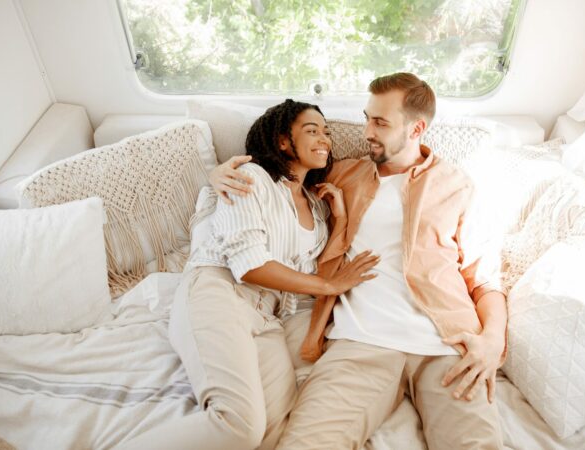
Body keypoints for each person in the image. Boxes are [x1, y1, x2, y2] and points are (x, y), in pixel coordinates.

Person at [210, 73, 507, 450]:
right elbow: (279, 170)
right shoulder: (344, 173)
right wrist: (217, 172)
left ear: (417, 128)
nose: (367, 130)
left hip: (447, 346)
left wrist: (492, 341)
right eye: (367, 118)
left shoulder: (458, 186)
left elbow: (485, 280)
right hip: (361, 342)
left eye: (380, 122)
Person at [116, 99, 379, 450]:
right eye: (312, 130)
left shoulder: (317, 208)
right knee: (238, 425)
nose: (325, 140)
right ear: (283, 141)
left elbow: (308, 273)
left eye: (326, 133)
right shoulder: (249, 178)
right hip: (219, 293)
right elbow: (251, 266)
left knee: (272, 432)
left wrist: (341, 220)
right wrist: (329, 284)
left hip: (266, 315)